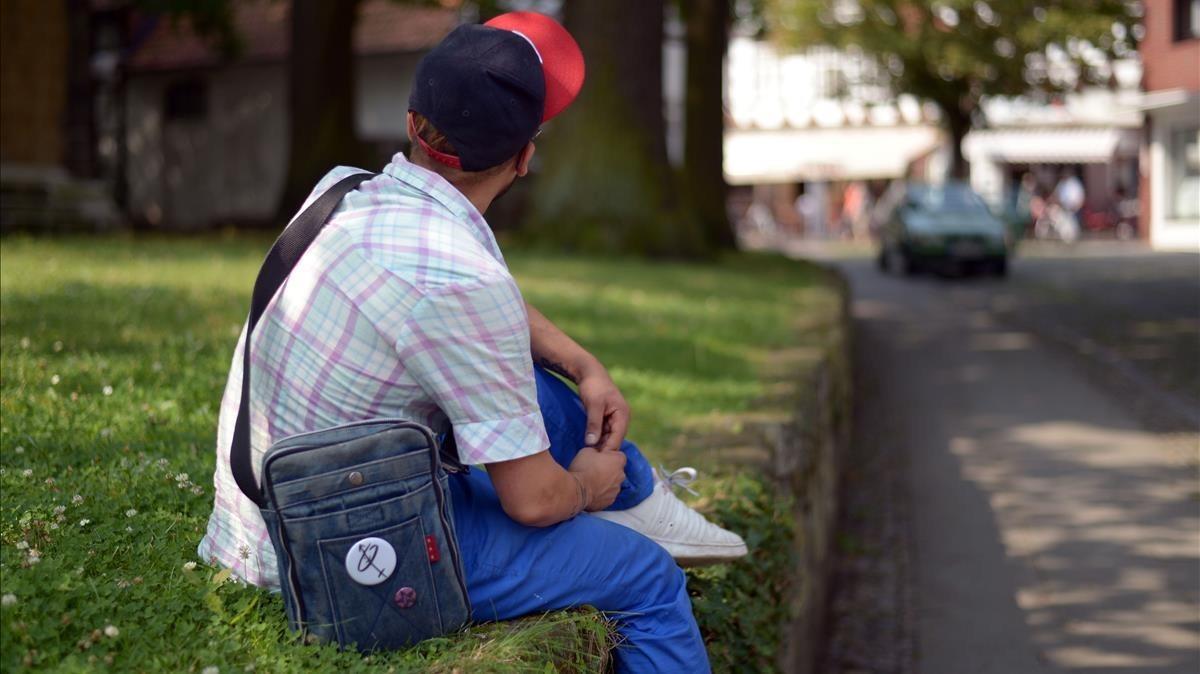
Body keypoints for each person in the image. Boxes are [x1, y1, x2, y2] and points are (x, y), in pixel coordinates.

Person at [196, 12, 746, 673]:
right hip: (332, 551)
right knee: (647, 577)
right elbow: (534, 499)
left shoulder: (344, 191)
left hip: (284, 502)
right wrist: (588, 487)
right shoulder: (461, 279)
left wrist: (580, 362)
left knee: (539, 388)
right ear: (524, 158)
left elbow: (483, 310)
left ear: (411, 123)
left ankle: (643, 501)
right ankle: (633, 506)